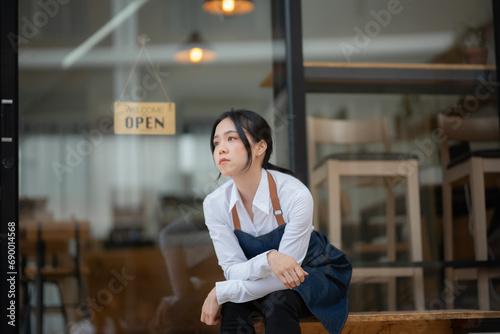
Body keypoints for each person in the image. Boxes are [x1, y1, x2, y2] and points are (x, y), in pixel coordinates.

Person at [200, 109, 352, 333]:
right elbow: (232, 270)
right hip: (264, 279)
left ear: (260, 147)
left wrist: (220, 292)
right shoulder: (215, 204)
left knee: (277, 302)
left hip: (311, 272)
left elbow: (287, 277)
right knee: (233, 306)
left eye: (231, 138)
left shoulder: (295, 194)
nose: (220, 148)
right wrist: (269, 259)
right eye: (216, 142)